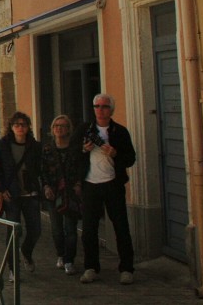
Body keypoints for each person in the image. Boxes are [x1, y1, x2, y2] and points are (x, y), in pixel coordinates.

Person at [73, 93, 137, 285]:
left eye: (104, 106)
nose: (100, 110)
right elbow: (72, 153)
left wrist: (116, 153)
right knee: (89, 229)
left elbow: (131, 158)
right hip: (90, 185)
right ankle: (91, 267)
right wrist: (84, 149)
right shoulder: (84, 129)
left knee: (121, 227)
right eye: (97, 106)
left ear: (111, 110)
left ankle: (126, 269)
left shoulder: (120, 131)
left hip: (113, 184)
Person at [0, 111, 43, 275]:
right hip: (11, 194)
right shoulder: (2, 145)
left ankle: (26, 252)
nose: (20, 128)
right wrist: (1, 188)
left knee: (35, 229)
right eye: (17, 125)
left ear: (28, 127)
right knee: (13, 231)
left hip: (30, 193)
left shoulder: (34, 146)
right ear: (11, 127)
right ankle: (13, 268)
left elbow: (41, 167)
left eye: (23, 125)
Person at [42, 114, 81, 275]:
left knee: (71, 229)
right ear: (52, 129)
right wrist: (45, 187)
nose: (59, 128)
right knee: (57, 229)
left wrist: (79, 184)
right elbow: (42, 170)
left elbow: (81, 167)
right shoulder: (47, 149)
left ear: (68, 129)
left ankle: (69, 260)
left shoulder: (75, 148)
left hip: (71, 192)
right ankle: (60, 254)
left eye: (63, 126)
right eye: (56, 125)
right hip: (53, 193)